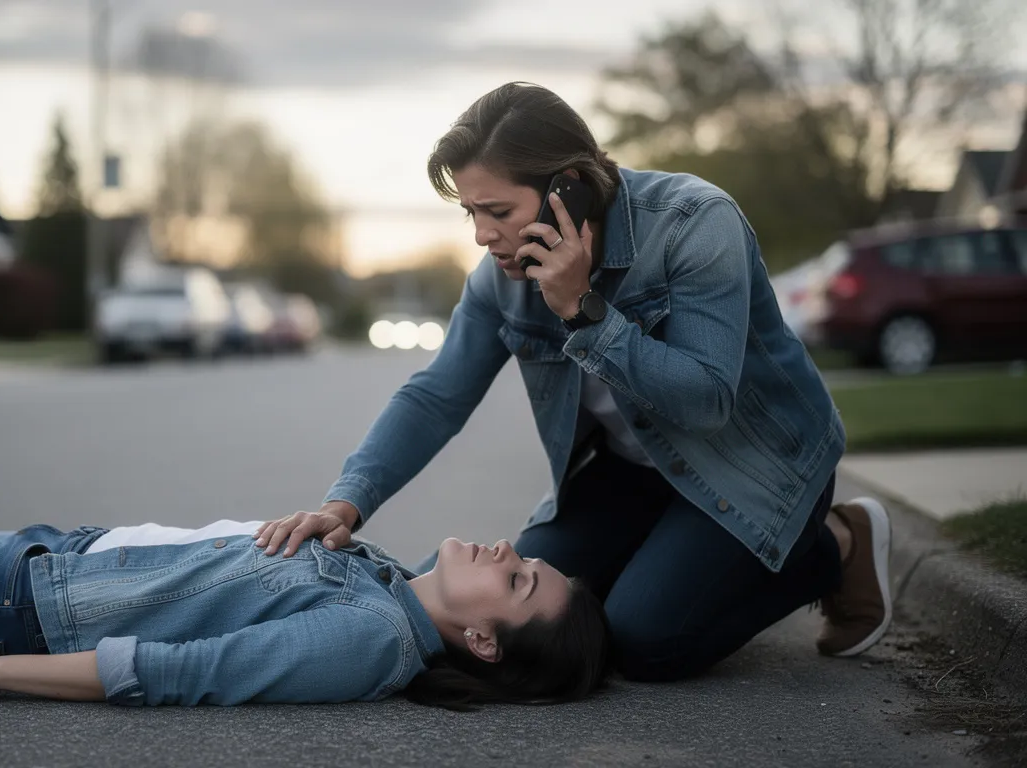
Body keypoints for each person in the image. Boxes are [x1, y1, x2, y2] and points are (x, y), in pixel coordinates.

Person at [254, 81, 893, 682]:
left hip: (754, 464)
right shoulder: (498, 277)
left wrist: (585, 310)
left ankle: (836, 542)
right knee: (520, 620)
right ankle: (668, 557)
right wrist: (346, 502)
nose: (482, 236)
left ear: (570, 189)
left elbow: (706, 404)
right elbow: (436, 394)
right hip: (631, 474)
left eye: (497, 211)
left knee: (646, 641)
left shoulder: (696, 224)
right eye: (471, 213)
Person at [0, 520, 610, 710]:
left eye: (522, 580)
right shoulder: (379, 579)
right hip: (44, 556)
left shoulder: (365, 640)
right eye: (532, 558)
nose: (509, 553)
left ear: (483, 640)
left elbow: (173, 673)